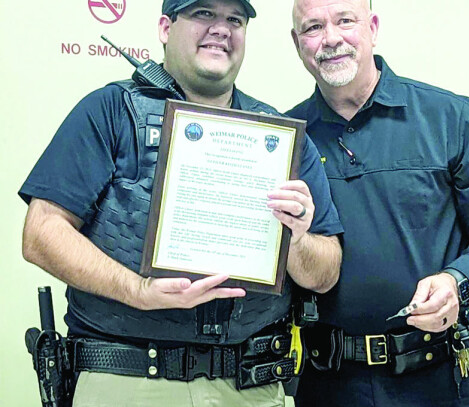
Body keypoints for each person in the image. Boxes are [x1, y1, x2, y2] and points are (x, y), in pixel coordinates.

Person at [19, 0, 343, 406]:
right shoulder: (111, 111)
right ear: (165, 28)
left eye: (234, 20)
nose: (221, 29)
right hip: (128, 381)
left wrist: (295, 239)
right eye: (203, 14)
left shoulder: (281, 139)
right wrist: (138, 291)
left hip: (250, 388)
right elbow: (41, 232)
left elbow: (325, 271)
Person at [287, 0, 469, 406]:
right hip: (328, 384)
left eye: (345, 21)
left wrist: (459, 281)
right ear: (298, 43)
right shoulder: (286, 141)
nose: (331, 38)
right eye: (313, 27)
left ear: (373, 27)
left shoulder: (446, 117)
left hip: (439, 378)